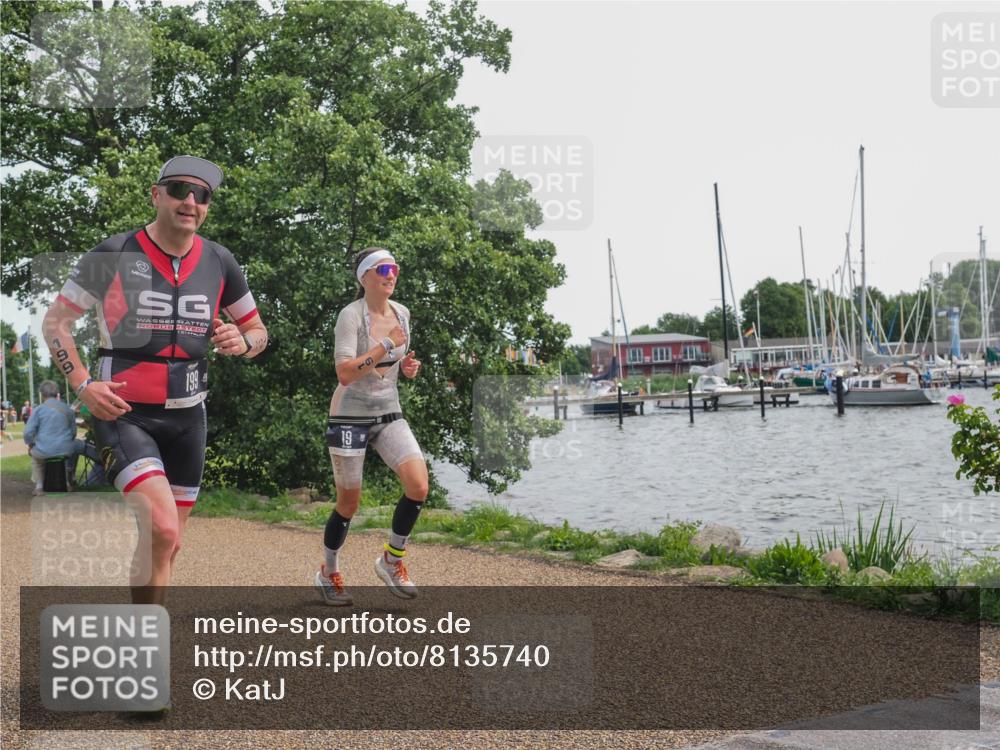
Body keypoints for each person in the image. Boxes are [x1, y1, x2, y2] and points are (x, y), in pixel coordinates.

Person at [42, 155, 267, 604]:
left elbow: (258, 331)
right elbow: (56, 324)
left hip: (189, 421)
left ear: (206, 206)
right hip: (124, 415)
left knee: (167, 542)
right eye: (180, 190)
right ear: (156, 194)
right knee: (162, 528)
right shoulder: (114, 253)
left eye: (201, 195)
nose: (190, 201)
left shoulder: (220, 262)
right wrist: (85, 385)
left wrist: (242, 342)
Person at [315, 247, 426, 606]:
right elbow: (345, 373)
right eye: (382, 269)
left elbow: (394, 362)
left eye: (394, 267)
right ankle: (328, 571)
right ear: (365, 277)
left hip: (389, 410)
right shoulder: (350, 316)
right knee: (349, 502)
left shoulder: (402, 314)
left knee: (418, 486)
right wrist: (386, 345)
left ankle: (392, 560)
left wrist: (406, 367)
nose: (391, 274)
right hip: (349, 414)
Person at [23, 381, 85, 494]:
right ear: (57, 393)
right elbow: (73, 432)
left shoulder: (38, 410)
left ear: (42, 394)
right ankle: (66, 483)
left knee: (37, 460)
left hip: (44, 450)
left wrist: (30, 444)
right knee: (62, 455)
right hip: (66, 450)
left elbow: (28, 432)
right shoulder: (68, 410)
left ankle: (39, 486)